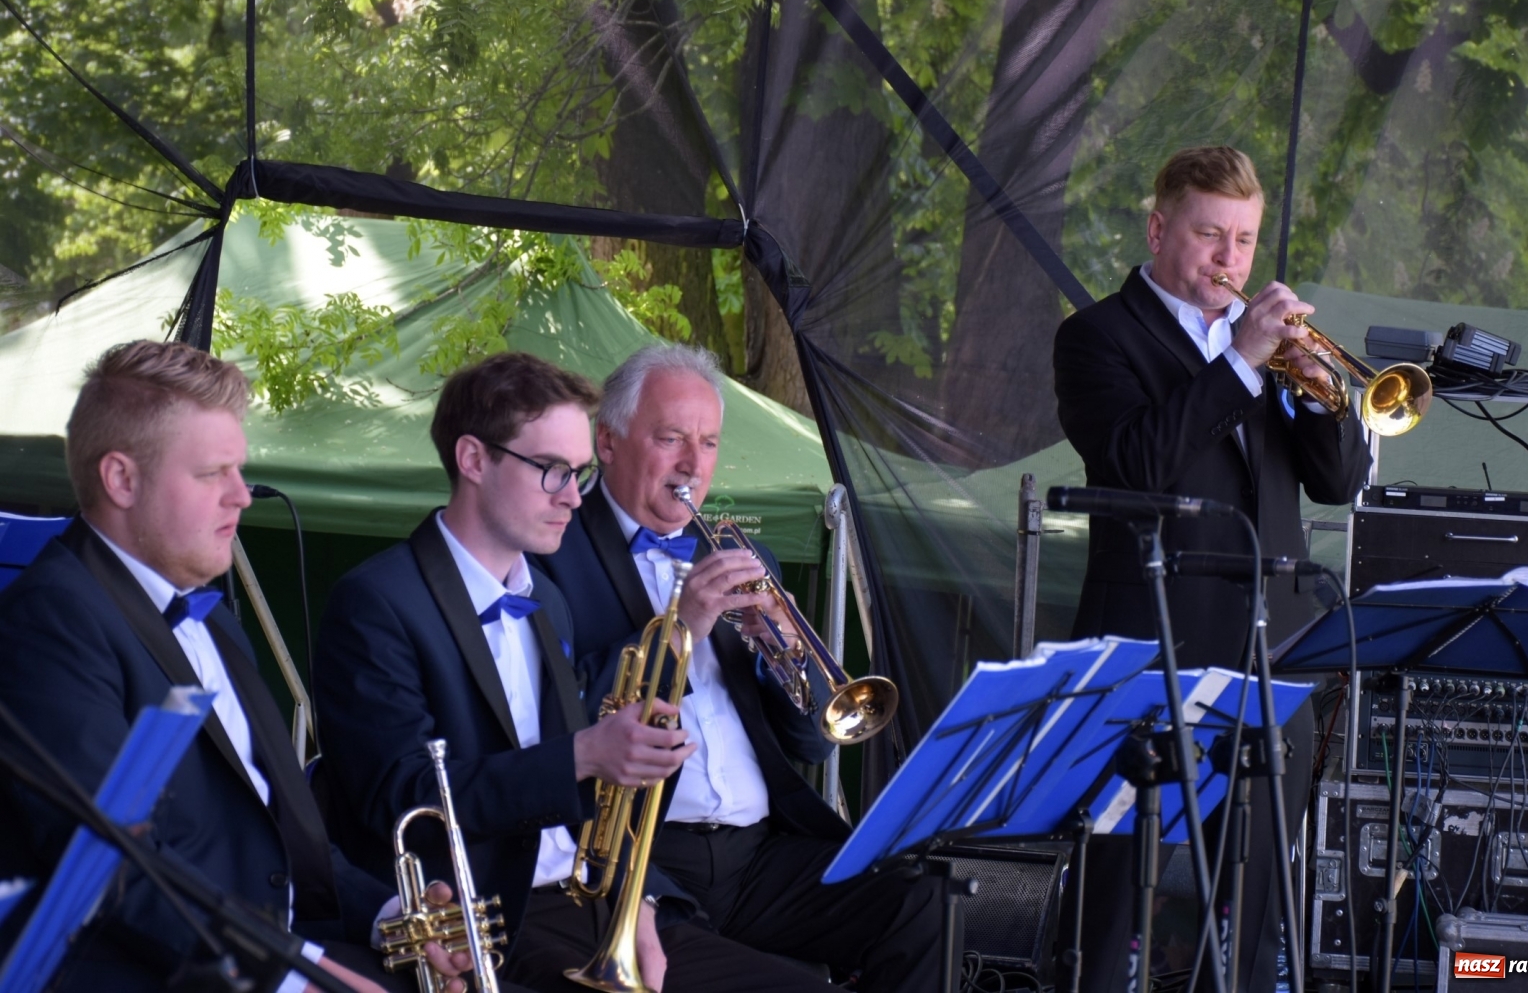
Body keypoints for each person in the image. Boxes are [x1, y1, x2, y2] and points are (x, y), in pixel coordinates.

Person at [313, 351, 839, 993]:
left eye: (578, 472)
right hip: (490, 906)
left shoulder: (545, 600)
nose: (572, 495)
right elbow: (398, 795)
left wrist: (638, 899)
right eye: (553, 471)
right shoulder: (376, 600)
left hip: (597, 895)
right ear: (474, 460)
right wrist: (582, 756)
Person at [0, 340, 475, 993]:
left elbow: (281, 834)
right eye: (210, 474)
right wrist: (295, 978)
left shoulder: (210, 614)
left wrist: (396, 917)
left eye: (238, 470)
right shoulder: (51, 618)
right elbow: (112, 870)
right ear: (121, 479)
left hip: (277, 950)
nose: (241, 497)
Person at [1051, 147, 1370, 992]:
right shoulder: (1095, 337)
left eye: (1243, 240)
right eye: (1208, 235)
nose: (1228, 259)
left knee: (1250, 907)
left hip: (1273, 660)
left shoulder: (1266, 350)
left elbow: (1337, 484)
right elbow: (1134, 463)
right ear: (1159, 229)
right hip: (1150, 653)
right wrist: (1238, 363)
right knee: (1117, 897)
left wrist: (1312, 390)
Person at [537, 344, 949, 993]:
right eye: (670, 437)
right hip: (642, 855)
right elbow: (556, 717)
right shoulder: (552, 551)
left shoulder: (743, 555)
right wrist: (682, 628)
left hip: (758, 853)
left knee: (920, 903)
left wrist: (776, 652)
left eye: (707, 442)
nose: (691, 464)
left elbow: (813, 740)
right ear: (608, 442)